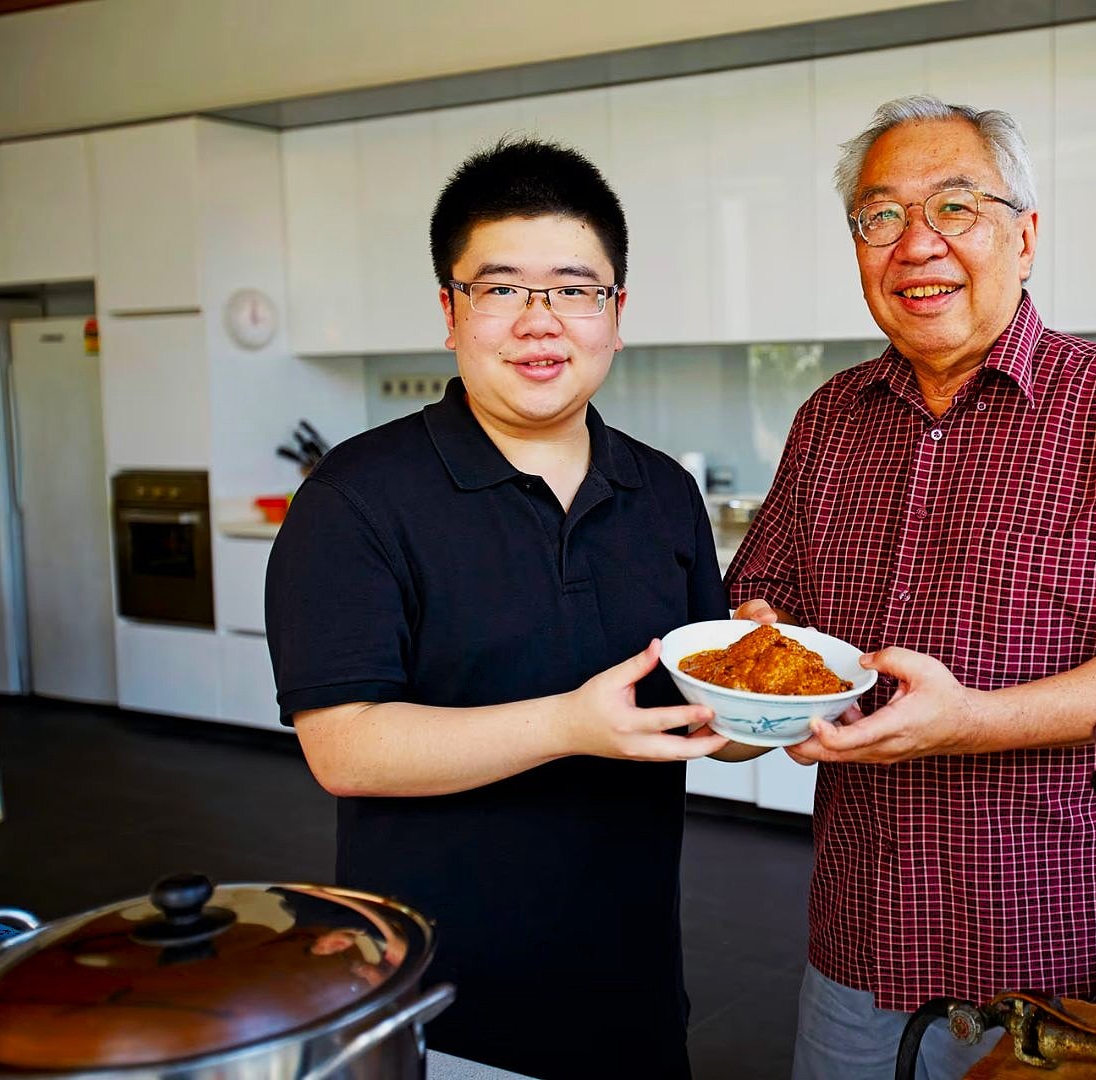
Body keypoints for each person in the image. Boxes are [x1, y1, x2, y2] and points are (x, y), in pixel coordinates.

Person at [724, 95, 1096, 1080]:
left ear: (1024, 237)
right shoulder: (827, 420)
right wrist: (758, 659)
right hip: (858, 939)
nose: (913, 244)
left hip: (1059, 960)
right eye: (879, 217)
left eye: (954, 208)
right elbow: (764, 601)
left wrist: (966, 718)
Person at [264, 138, 748, 1080]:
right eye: (501, 289)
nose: (541, 321)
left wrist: (767, 697)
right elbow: (345, 749)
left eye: (574, 289)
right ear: (450, 312)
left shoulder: (660, 492)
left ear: (615, 315)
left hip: (633, 990)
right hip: (437, 1003)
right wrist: (570, 724)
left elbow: (702, 724)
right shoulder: (356, 496)